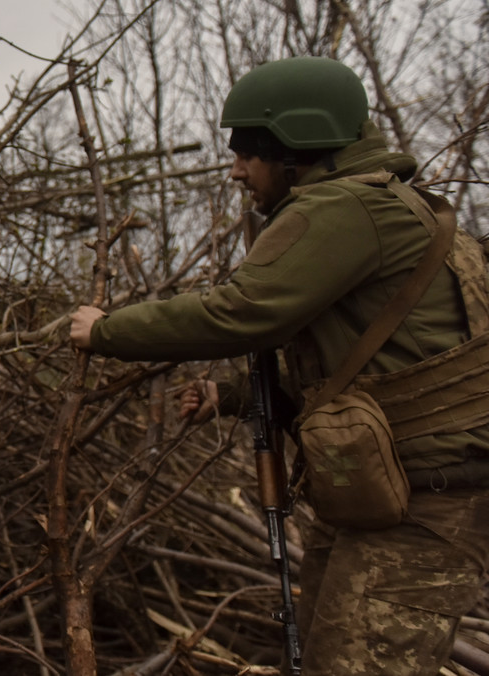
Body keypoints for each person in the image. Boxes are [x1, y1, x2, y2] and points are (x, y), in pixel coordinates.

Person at [70, 56, 489, 674]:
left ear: (298, 146)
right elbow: (375, 372)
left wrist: (105, 330)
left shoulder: (343, 209)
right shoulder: (391, 207)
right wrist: (235, 395)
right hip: (389, 502)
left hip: (422, 511)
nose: (236, 169)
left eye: (248, 151)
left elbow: (239, 313)